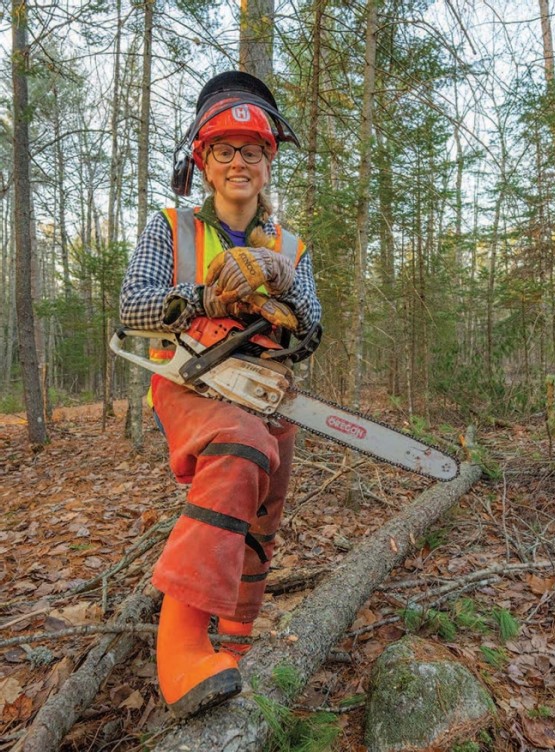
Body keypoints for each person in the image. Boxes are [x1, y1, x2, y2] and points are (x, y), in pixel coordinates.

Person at [119, 70, 321, 719]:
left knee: (265, 499)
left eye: (253, 151)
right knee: (240, 447)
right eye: (226, 150)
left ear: (269, 162)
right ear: (204, 161)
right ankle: (178, 644)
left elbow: (312, 328)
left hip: (264, 385)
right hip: (190, 378)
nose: (240, 162)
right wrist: (202, 297)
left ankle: (234, 637)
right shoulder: (172, 230)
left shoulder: (290, 245)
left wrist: (278, 276)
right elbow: (132, 304)